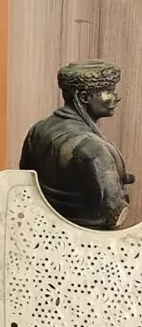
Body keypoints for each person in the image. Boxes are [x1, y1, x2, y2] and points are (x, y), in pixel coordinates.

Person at [20, 60, 134, 230]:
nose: (116, 97)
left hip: (44, 232)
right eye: (109, 91)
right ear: (84, 97)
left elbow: (25, 184)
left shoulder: (38, 130)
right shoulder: (93, 150)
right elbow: (115, 212)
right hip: (88, 239)